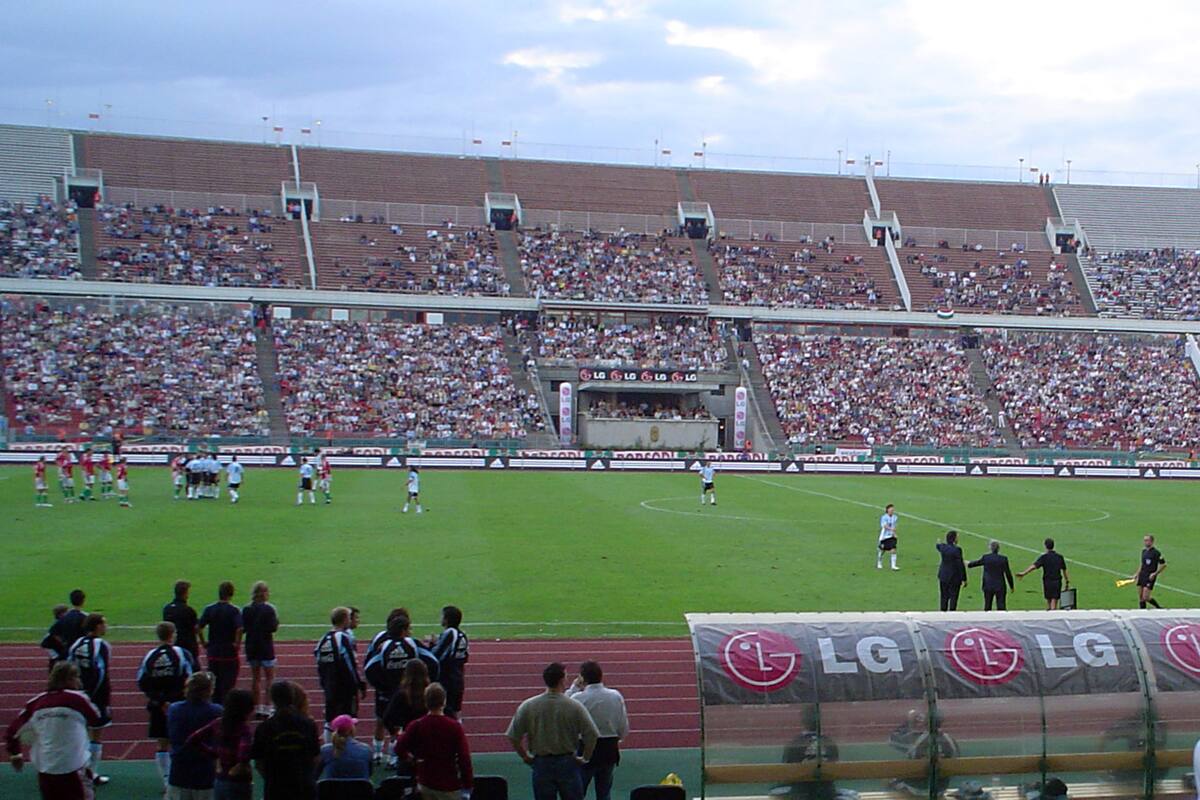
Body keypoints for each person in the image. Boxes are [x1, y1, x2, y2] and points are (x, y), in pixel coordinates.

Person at [4, 661, 103, 800]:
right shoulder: (78, 698)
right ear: (69, 679)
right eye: (77, 677)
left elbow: (12, 732)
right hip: (73, 766)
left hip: (46, 769)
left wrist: (16, 754)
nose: (79, 681)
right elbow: (96, 719)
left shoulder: (35, 702)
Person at [506, 661, 600, 800]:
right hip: (567, 761)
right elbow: (592, 734)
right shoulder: (574, 706)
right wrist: (585, 757)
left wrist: (525, 756)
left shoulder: (529, 705)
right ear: (562, 680)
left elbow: (513, 735)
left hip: (541, 762)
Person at [137, 621, 194, 792]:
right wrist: (173, 700)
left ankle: (167, 780)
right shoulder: (182, 654)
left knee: (162, 743)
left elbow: (142, 681)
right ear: (173, 634)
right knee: (183, 740)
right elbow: (190, 678)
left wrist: (160, 701)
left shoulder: (150, 656)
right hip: (179, 705)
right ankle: (182, 777)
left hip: (158, 706)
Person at [394, 683, 474, 800]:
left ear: (426, 702)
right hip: (449, 785)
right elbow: (464, 758)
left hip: (425, 783)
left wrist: (411, 759)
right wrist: (468, 784)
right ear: (444, 702)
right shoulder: (455, 727)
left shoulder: (416, 725)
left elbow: (399, 748)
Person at [566, 661, 629, 800]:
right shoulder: (615, 695)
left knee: (577, 792)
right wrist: (617, 739)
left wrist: (574, 687)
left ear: (583, 678)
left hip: (585, 749)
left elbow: (564, 705)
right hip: (609, 749)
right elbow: (623, 726)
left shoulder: (578, 697)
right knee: (604, 793)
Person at [252, 681, 321, 800]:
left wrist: (271, 778)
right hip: (304, 784)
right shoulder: (308, 724)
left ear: (272, 699)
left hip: (276, 787)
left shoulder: (264, 727)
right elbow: (316, 757)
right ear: (292, 697)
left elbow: (258, 762)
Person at [66, 613, 111, 786]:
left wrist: (75, 690)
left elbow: (69, 667)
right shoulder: (101, 645)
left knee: (79, 732)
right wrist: (91, 694)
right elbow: (100, 672)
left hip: (77, 693)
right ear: (97, 626)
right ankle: (91, 773)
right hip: (96, 696)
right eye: (104, 624)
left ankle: (76, 770)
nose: (106, 627)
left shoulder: (77, 643)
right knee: (96, 733)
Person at [188, 688, 255, 800]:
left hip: (220, 779)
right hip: (238, 782)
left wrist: (214, 754)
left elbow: (193, 739)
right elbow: (243, 756)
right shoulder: (244, 729)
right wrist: (239, 766)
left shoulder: (218, 723)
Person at [167, 671, 223, 800]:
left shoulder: (174, 709)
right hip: (205, 772)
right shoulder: (216, 711)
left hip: (179, 771)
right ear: (209, 691)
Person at [315, 607, 366, 744]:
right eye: (349, 618)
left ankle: (328, 747)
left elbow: (318, 659)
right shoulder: (343, 637)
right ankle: (348, 747)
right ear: (344, 620)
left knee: (330, 719)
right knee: (348, 718)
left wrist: (324, 681)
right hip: (344, 685)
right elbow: (350, 662)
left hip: (329, 684)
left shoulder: (323, 638)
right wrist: (358, 682)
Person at [198, 582, 243, 704]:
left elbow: (198, 627)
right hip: (229, 653)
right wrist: (237, 644)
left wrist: (203, 643)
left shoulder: (209, 609)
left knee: (214, 685)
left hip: (213, 651)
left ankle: (215, 707)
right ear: (231, 594)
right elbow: (240, 628)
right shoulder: (234, 610)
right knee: (228, 684)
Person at [240, 582, 278, 719]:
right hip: (266, 646)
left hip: (251, 646)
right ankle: (267, 708)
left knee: (255, 678)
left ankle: (256, 707)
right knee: (270, 678)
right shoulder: (270, 608)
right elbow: (273, 628)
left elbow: (243, 628)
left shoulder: (246, 609)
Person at [429, 606, 469, 719]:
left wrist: (432, 644)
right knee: (456, 711)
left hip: (448, 679)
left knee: (445, 711)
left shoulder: (450, 633)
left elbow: (436, 654)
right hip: (458, 677)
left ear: (447, 619)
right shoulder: (463, 635)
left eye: (442, 616)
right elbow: (465, 657)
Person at [1018, 537, 1070, 610]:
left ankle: (1049, 613)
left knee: (1049, 600)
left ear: (1045, 546)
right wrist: (1067, 581)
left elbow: (1034, 566)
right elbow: (1064, 570)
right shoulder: (1059, 557)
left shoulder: (1044, 557)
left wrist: (1024, 573)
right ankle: (1053, 613)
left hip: (1047, 581)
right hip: (1057, 581)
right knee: (1054, 600)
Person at [316, 714, 372, 780]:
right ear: (351, 730)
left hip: (332, 787)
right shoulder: (366, 750)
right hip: (360, 787)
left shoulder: (325, 750)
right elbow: (369, 773)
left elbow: (316, 774)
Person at [45, 590, 87, 670]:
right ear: (83, 601)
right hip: (81, 652)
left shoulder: (64, 617)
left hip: (67, 651)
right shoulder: (85, 617)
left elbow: (53, 632)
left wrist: (63, 642)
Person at [968, 540, 1015, 611]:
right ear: (998, 549)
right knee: (1001, 606)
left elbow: (976, 563)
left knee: (987, 605)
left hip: (988, 585)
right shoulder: (1003, 559)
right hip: (1000, 586)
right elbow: (1008, 573)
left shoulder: (986, 558)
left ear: (990, 548)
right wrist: (1011, 586)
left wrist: (967, 564)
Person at [165, 581, 201, 665]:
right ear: (185, 593)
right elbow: (197, 629)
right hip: (188, 647)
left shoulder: (167, 609)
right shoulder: (189, 610)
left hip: (172, 647)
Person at [936, 530, 967, 611]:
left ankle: (943, 613)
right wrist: (964, 578)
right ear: (954, 539)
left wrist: (938, 542)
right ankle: (952, 614)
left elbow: (938, 546)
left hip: (943, 576)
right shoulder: (957, 550)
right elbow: (960, 565)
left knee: (943, 597)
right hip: (954, 577)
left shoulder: (943, 547)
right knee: (953, 598)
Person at [1134, 534, 1167, 609]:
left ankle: (1159, 608)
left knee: (1145, 597)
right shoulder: (1143, 551)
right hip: (1142, 575)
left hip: (1150, 576)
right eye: (1144, 540)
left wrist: (1155, 574)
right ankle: (1142, 612)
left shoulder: (1156, 553)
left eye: (1147, 540)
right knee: (1141, 597)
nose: (1145, 542)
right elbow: (1142, 564)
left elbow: (1163, 565)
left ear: (1152, 542)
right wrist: (1137, 574)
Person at [877, 504, 899, 570]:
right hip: (884, 537)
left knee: (893, 550)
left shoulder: (895, 517)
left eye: (893, 510)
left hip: (891, 536)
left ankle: (893, 566)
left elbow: (894, 526)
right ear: (887, 510)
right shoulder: (884, 517)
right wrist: (891, 529)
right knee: (882, 550)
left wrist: (894, 534)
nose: (892, 511)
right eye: (891, 509)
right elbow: (884, 526)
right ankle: (879, 562)